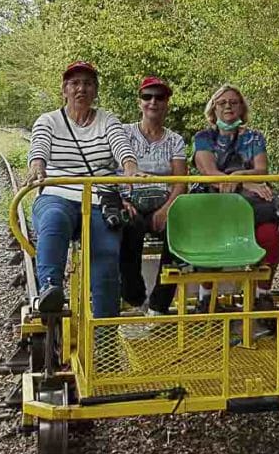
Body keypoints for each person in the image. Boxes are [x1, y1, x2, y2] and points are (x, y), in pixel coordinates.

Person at [24, 61, 142, 318]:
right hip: (58, 192)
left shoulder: (107, 119)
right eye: (75, 83)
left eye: (87, 83)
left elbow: (120, 145)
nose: (81, 89)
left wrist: (130, 166)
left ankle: (105, 334)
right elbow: (40, 146)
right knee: (53, 220)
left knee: (107, 256)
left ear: (95, 90)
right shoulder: (49, 121)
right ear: (64, 89)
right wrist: (37, 165)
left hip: (99, 198)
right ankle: (50, 289)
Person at [192, 84, 279, 312]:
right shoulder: (203, 137)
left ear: (242, 108)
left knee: (270, 235)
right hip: (216, 201)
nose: (228, 107)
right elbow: (209, 172)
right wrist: (246, 181)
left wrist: (238, 176)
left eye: (234, 102)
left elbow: (261, 170)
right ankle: (206, 298)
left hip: (250, 204)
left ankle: (262, 296)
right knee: (207, 235)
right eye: (222, 103)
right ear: (213, 109)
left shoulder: (254, 137)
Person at [118, 76, 187, 310]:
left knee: (180, 232)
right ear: (140, 102)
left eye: (160, 97)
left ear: (167, 103)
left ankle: (160, 302)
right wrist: (120, 200)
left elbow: (180, 181)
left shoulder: (175, 140)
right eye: (147, 97)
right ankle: (133, 294)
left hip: (162, 203)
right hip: (130, 202)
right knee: (128, 226)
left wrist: (167, 209)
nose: (153, 102)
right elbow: (107, 170)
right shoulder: (123, 133)